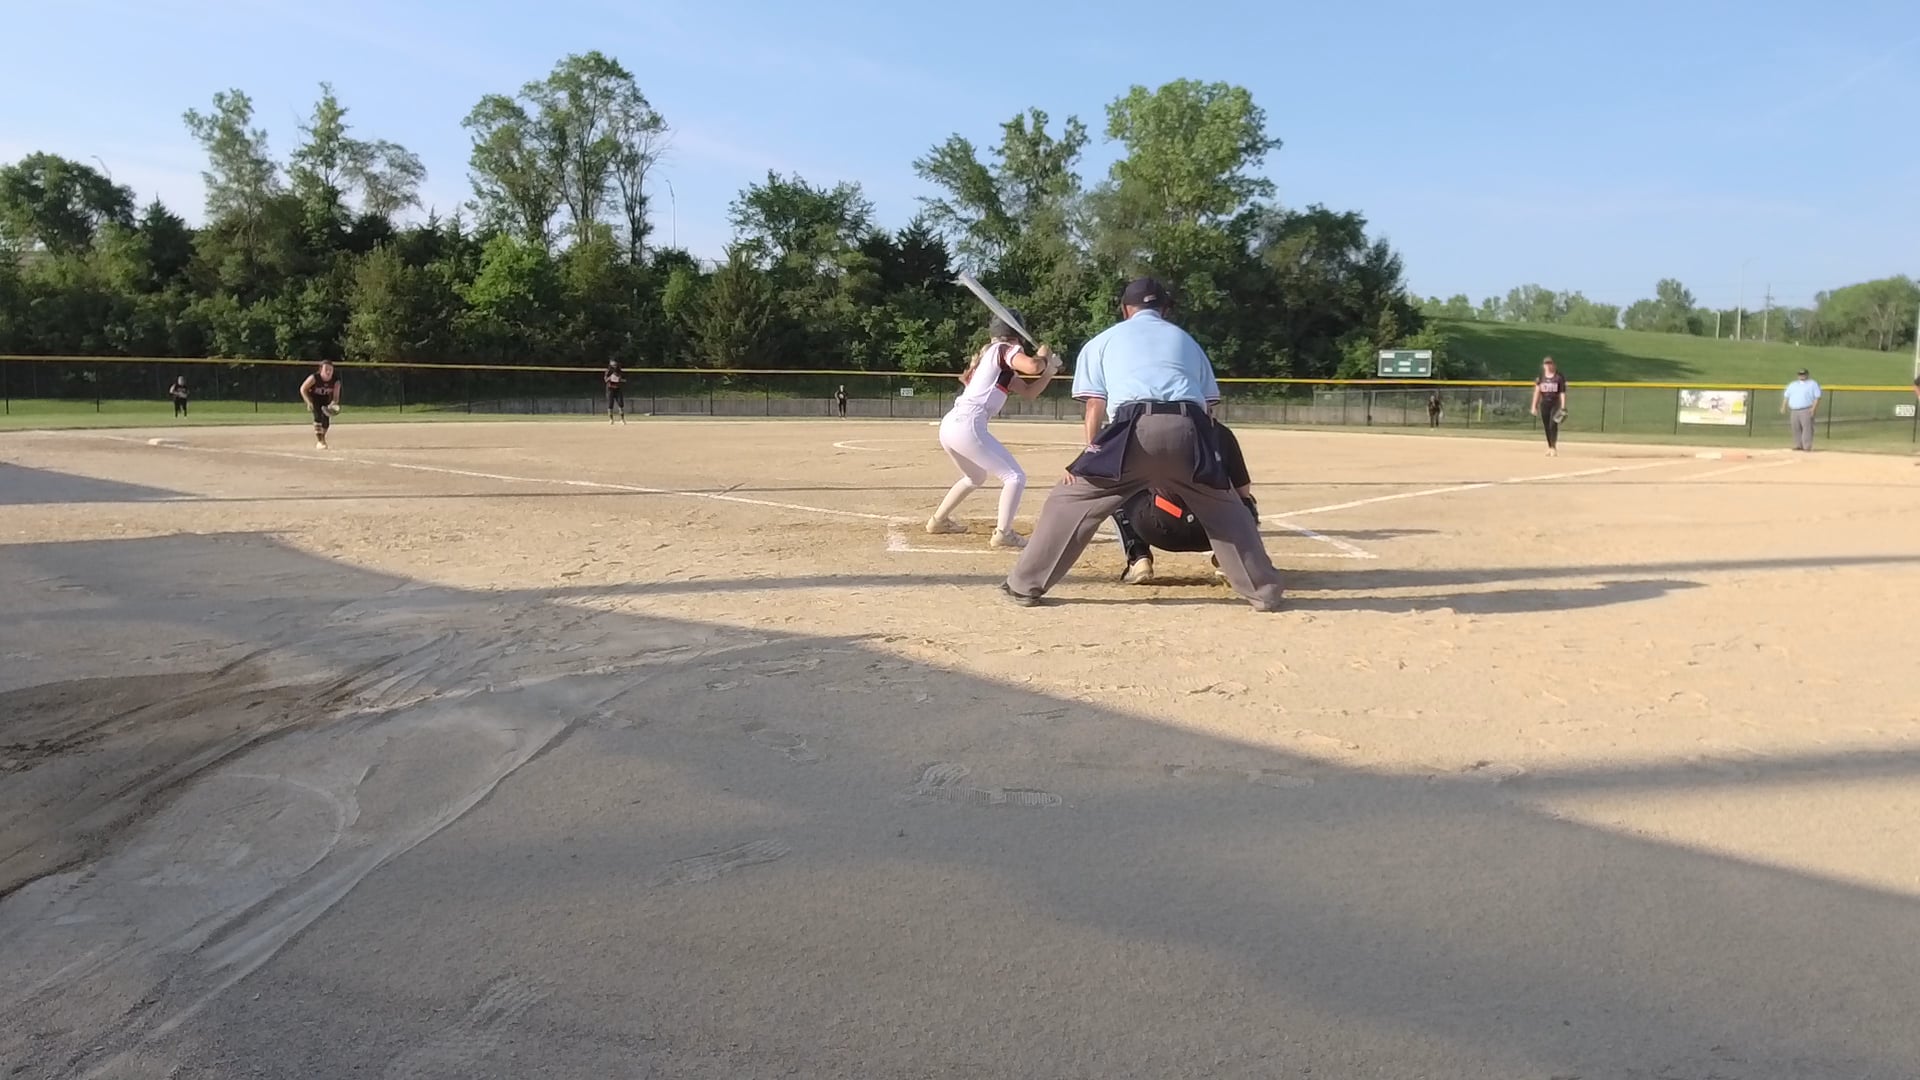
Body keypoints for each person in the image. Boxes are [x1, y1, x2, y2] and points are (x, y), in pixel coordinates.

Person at [1003, 278, 1284, 611]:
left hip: (1132, 429)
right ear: (1163, 309)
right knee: (1227, 509)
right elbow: (1209, 411)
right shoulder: (1187, 341)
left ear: (1126, 309)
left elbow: (1095, 406)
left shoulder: (1103, 340)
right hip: (1189, 427)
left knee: (1068, 501)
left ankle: (1025, 585)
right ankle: (1264, 591)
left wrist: (1092, 460)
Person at [925, 311, 1061, 549]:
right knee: (1015, 477)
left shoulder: (994, 360)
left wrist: (1048, 371)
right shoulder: (1003, 350)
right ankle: (1003, 533)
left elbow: (1029, 392)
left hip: (952, 425)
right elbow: (1032, 367)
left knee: (975, 477)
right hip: (968, 423)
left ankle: (938, 520)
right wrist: (1042, 357)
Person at [1111, 419, 1257, 585]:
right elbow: (1243, 491)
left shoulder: (1142, 430)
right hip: (1212, 531)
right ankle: (1230, 560)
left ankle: (1138, 558)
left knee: (1119, 491)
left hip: (1159, 528)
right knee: (1247, 502)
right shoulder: (1219, 432)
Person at [299, 361, 343, 450]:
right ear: (320, 370)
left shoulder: (336, 381)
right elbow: (303, 389)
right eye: (326, 369)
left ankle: (322, 438)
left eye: (330, 369)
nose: (328, 372)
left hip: (326, 399)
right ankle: (320, 441)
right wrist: (308, 402)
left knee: (326, 422)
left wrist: (332, 404)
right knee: (318, 417)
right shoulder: (314, 378)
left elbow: (335, 397)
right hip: (314, 398)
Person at [1530, 356, 1568, 456]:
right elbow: (1537, 392)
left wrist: (1563, 406)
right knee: (1547, 426)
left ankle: (1554, 447)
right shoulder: (1541, 377)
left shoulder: (1559, 377)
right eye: (1546, 364)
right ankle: (1550, 446)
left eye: (1550, 363)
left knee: (1553, 424)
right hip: (1544, 404)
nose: (1548, 366)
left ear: (1554, 365)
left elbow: (1562, 392)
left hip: (1555, 403)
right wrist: (1534, 406)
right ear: (1543, 366)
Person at [1782, 368, 1821, 451]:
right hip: (1794, 410)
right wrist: (1783, 406)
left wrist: (1813, 409)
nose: (1802, 376)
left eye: (1803, 374)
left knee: (1807, 428)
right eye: (1800, 374)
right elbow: (1786, 396)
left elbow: (1817, 398)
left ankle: (1807, 446)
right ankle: (1798, 445)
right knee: (1796, 428)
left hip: (1806, 409)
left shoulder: (1812, 384)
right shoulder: (1793, 384)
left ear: (1807, 375)